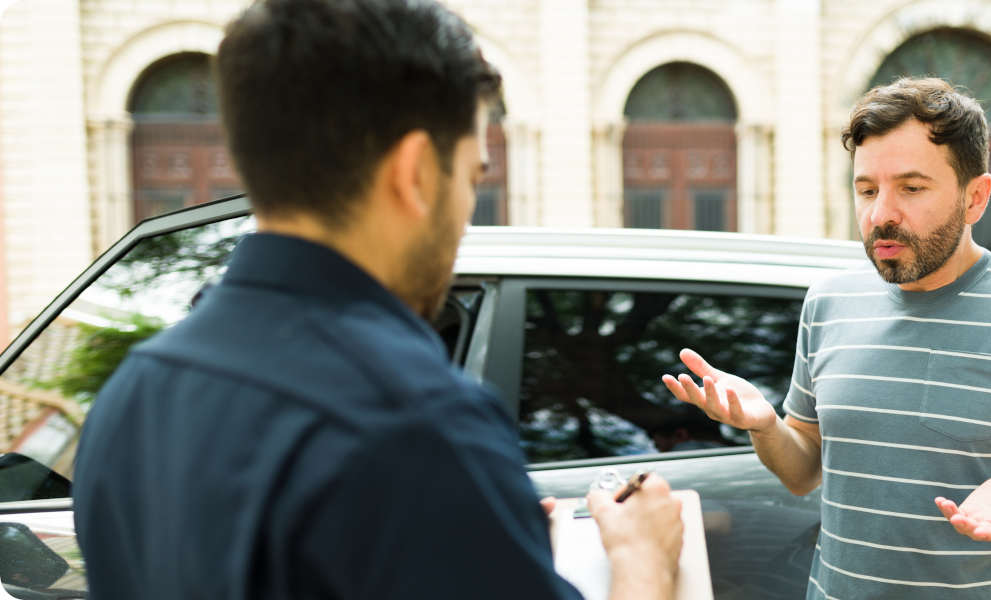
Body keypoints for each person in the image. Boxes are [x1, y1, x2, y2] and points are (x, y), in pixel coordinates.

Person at [72, 1, 683, 599]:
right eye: (472, 177)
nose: (468, 213)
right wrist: (643, 562)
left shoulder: (128, 399)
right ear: (415, 173)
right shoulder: (417, 426)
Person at [662, 77, 991, 599]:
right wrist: (764, 425)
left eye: (911, 188)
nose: (880, 213)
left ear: (975, 196)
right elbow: (802, 473)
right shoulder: (827, 302)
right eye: (867, 190)